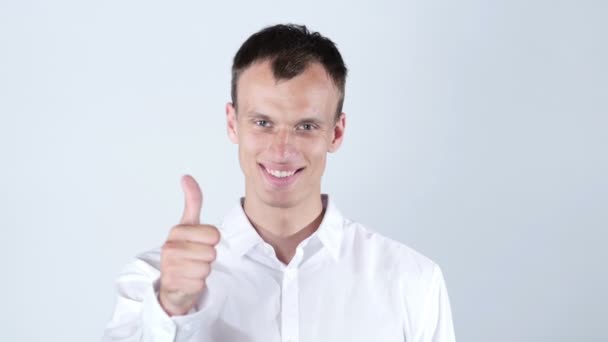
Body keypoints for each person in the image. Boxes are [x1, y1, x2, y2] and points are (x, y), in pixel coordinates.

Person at [102, 23, 456, 342]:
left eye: (305, 126)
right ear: (232, 122)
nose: (282, 149)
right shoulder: (152, 280)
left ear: (336, 132)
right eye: (262, 123)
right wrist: (171, 309)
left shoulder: (412, 281)